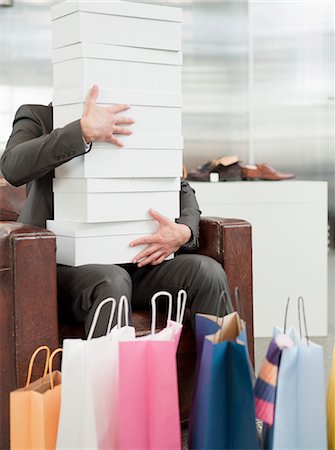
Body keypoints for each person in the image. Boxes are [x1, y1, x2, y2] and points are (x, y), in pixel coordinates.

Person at [1, 85, 230, 336]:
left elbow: (177, 184)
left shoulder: (132, 124)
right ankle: (112, 377)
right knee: (110, 280)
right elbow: (13, 168)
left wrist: (185, 229)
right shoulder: (37, 117)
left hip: (136, 262)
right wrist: (80, 132)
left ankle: (228, 374)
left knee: (207, 272)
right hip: (62, 270)